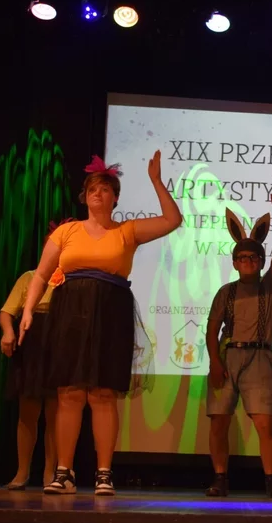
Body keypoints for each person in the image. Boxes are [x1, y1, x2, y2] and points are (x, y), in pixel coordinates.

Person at [19, 151, 182, 496]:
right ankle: (64, 472)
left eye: (105, 189)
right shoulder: (67, 232)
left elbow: (172, 220)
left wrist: (156, 181)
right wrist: (29, 310)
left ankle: (104, 473)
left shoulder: (127, 231)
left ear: (115, 198)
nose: (98, 193)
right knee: (69, 392)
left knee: (103, 393)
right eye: (93, 188)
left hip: (110, 312)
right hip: (70, 313)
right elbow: (42, 274)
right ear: (85, 196)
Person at [204, 187, 272, 498]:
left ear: (261, 261)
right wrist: (215, 362)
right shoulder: (226, 292)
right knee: (219, 422)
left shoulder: (271, 286)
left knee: (264, 424)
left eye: (253, 257)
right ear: (235, 263)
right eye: (242, 258)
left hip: (260, 359)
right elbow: (211, 329)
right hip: (228, 357)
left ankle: (271, 480)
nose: (248, 261)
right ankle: (220, 478)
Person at [0, 218, 72, 489]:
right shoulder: (30, 277)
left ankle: (50, 472)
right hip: (32, 344)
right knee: (27, 413)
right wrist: (8, 332)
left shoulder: (72, 281)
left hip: (60, 343)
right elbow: (6, 312)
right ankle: (22, 472)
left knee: (55, 414)